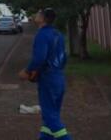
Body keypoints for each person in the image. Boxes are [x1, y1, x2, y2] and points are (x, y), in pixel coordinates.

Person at [18, 9, 71, 140]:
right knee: (51, 115)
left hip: (48, 78)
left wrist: (27, 71)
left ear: (43, 18)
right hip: (59, 77)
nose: (36, 14)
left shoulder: (42, 35)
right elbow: (64, 57)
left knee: (50, 116)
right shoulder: (57, 34)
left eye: (38, 13)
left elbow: (39, 58)